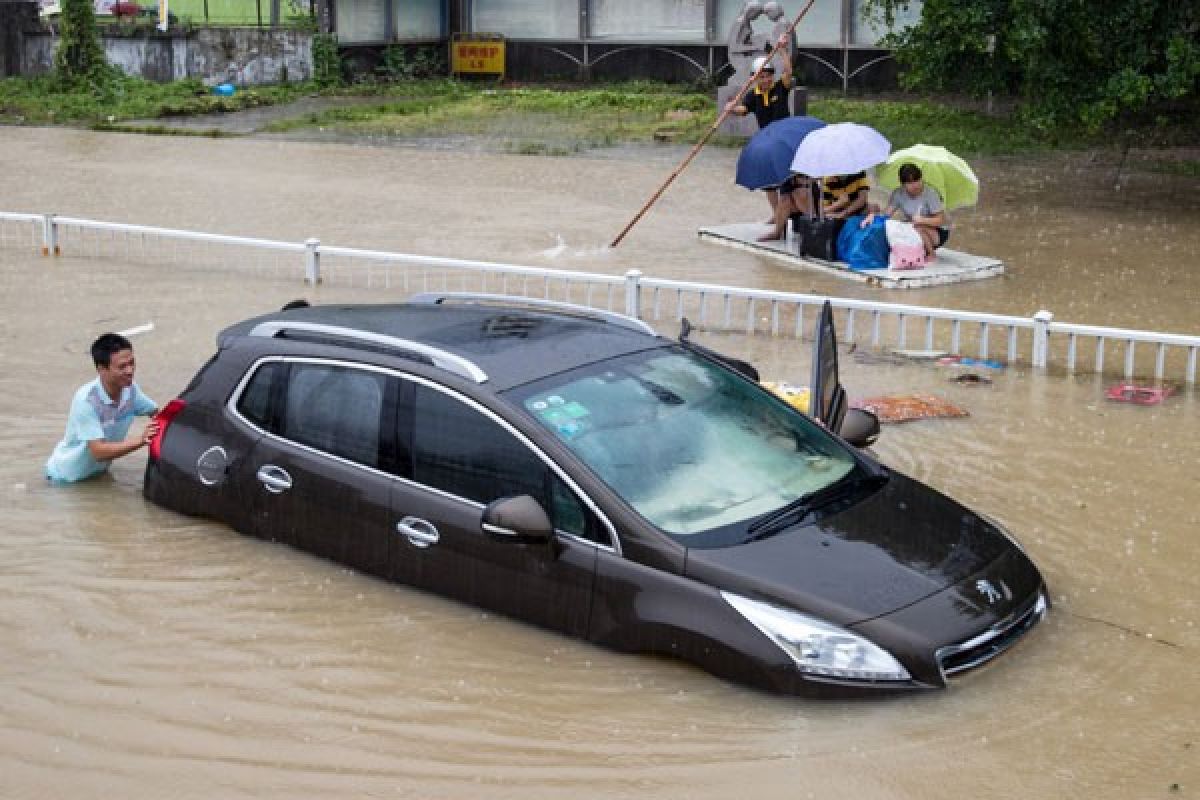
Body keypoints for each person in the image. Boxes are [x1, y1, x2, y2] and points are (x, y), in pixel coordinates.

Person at [45, 333, 158, 484]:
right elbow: (98, 451)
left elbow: (157, 414)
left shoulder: (130, 390)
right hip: (65, 480)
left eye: (132, 363)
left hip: (98, 474)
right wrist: (141, 440)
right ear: (101, 369)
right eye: (122, 366)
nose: (130, 371)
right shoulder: (87, 401)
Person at [725, 36, 795, 224]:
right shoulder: (752, 95)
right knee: (769, 182)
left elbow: (788, 71)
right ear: (754, 79)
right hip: (767, 139)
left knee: (787, 180)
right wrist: (731, 108)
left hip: (784, 138)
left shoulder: (780, 87)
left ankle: (789, 212)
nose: (765, 80)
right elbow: (743, 110)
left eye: (768, 75)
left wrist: (781, 49)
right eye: (761, 77)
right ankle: (776, 214)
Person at [863, 163, 948, 256]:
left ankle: (931, 254)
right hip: (913, 227)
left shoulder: (930, 194)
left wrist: (922, 220)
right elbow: (886, 215)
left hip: (936, 232)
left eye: (917, 180)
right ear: (903, 184)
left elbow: (940, 220)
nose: (915, 185)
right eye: (910, 183)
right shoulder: (898, 194)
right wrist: (873, 215)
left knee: (917, 227)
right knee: (893, 226)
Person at [757, 174, 819, 241]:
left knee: (800, 193)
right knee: (785, 200)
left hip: (813, 206)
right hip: (797, 206)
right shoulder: (787, 178)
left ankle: (816, 225)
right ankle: (777, 231)